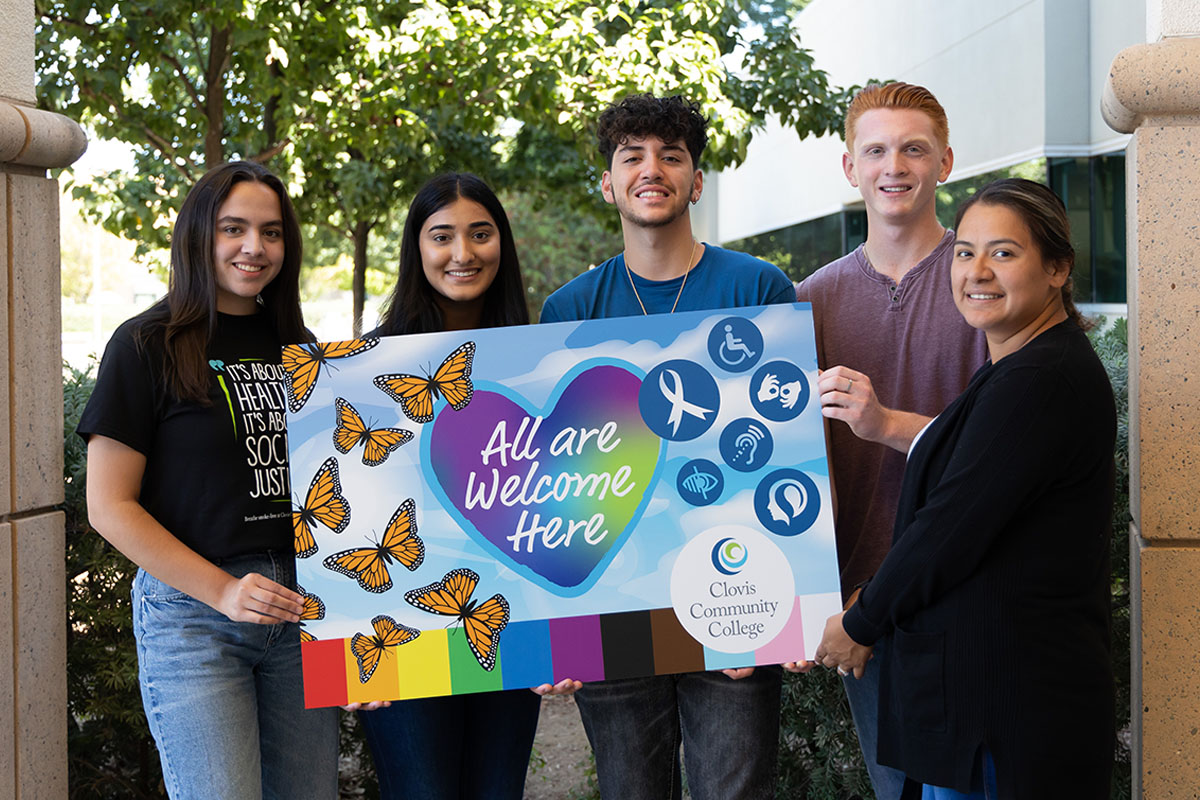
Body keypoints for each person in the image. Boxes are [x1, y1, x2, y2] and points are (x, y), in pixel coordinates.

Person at [813, 178, 1117, 799]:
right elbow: (973, 482)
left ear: (1057, 267)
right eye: (965, 252)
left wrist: (862, 619)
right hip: (989, 703)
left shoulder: (1041, 380)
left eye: (1004, 253)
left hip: (1008, 713)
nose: (977, 271)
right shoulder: (1018, 369)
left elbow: (950, 526)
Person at [539, 93, 796, 800]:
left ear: (696, 181)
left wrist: (779, 610)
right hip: (616, 613)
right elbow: (559, 481)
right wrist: (556, 633)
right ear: (608, 181)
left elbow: (788, 454)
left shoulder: (758, 286)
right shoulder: (569, 310)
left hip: (734, 598)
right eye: (632, 157)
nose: (652, 169)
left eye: (671, 156)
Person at [78, 161, 337, 799]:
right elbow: (109, 506)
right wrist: (222, 591)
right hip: (194, 619)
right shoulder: (145, 344)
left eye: (272, 232)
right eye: (234, 228)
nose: (255, 247)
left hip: (303, 612)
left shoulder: (298, 344)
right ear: (199, 236)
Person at [793, 82, 988, 799]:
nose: (894, 166)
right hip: (860, 605)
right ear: (850, 167)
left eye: (913, 149)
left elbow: (1011, 450)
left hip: (967, 598)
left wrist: (889, 424)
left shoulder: (987, 284)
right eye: (875, 150)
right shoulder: (806, 302)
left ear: (945, 161)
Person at [355, 172, 544, 800]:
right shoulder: (366, 372)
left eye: (480, 234)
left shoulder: (540, 360)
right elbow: (350, 520)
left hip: (509, 632)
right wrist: (349, 648)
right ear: (417, 248)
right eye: (442, 236)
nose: (462, 253)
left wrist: (567, 637)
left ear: (502, 244)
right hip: (402, 644)